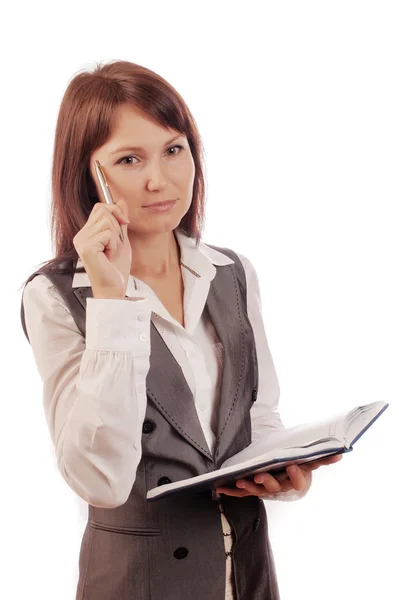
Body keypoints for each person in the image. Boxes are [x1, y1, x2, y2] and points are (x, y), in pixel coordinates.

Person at [20, 60, 342, 600]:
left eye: (174, 149)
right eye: (128, 159)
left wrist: (284, 473)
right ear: (89, 175)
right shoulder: (54, 296)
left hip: (246, 575)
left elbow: (256, 418)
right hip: (137, 583)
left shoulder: (230, 272)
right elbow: (98, 478)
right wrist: (111, 298)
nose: (159, 179)